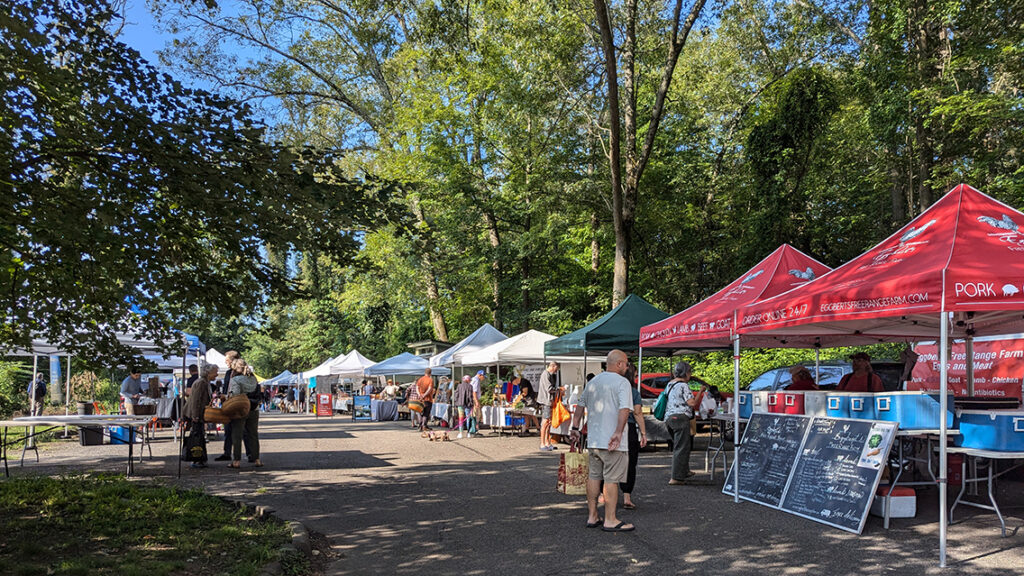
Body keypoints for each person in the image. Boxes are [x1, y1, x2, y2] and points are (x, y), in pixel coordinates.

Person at [568, 350, 635, 532]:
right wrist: (619, 432)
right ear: (619, 364)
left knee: (594, 477)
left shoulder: (593, 382)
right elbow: (624, 409)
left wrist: (575, 428)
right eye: (627, 364)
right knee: (611, 479)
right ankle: (610, 519)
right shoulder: (623, 383)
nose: (627, 367)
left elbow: (580, 407)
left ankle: (592, 516)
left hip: (594, 440)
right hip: (612, 441)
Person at [664, 360, 706, 485]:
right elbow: (692, 403)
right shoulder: (683, 386)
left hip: (669, 419)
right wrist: (700, 392)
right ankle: (676, 477)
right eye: (690, 372)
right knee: (681, 448)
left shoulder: (669, 385)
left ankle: (684, 471)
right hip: (680, 418)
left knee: (681, 446)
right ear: (686, 373)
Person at [620, 363, 647, 509]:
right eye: (636, 375)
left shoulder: (613, 389)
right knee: (630, 463)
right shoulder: (633, 392)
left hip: (611, 426)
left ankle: (603, 494)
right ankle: (627, 496)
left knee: (609, 460)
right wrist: (643, 433)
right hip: (629, 427)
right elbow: (637, 413)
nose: (637, 378)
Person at [227, 358, 262, 468]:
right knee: (253, 434)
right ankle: (257, 459)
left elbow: (235, 395)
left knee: (237, 435)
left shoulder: (236, 380)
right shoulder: (253, 379)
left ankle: (236, 460)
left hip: (240, 409)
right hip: (254, 408)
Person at [183, 364, 216, 468]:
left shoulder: (204, 382)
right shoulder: (201, 383)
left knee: (199, 435)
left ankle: (199, 458)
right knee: (197, 436)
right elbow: (196, 400)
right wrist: (195, 416)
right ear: (208, 373)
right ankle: (196, 459)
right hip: (196, 413)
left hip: (198, 413)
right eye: (215, 372)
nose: (217, 374)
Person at [214, 350, 241, 462]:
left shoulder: (241, 373)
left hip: (238, 404)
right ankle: (227, 452)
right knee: (228, 429)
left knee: (243, 431)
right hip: (227, 404)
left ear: (233, 360)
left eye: (227, 360)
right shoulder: (228, 373)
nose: (226, 363)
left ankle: (249, 455)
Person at [537, 362, 560, 451]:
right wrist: (559, 390)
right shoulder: (545, 374)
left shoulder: (549, 375)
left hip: (549, 401)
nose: (556, 371)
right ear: (552, 366)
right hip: (546, 401)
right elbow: (549, 389)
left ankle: (547, 442)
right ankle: (542, 443)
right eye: (556, 369)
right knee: (545, 422)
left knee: (549, 422)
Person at [454, 375, 475, 439]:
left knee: (461, 419)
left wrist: (456, 402)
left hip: (460, 404)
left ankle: (460, 433)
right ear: (468, 380)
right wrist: (472, 403)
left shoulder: (459, 386)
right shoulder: (470, 386)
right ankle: (468, 433)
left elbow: (456, 395)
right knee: (468, 418)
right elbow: (470, 396)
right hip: (468, 405)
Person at [416, 368, 435, 433]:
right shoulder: (430, 380)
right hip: (428, 399)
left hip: (420, 399)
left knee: (419, 412)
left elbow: (417, 388)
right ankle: (423, 425)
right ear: (430, 373)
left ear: (425, 372)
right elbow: (429, 389)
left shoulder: (420, 379)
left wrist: (419, 395)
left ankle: (419, 425)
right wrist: (424, 395)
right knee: (426, 413)